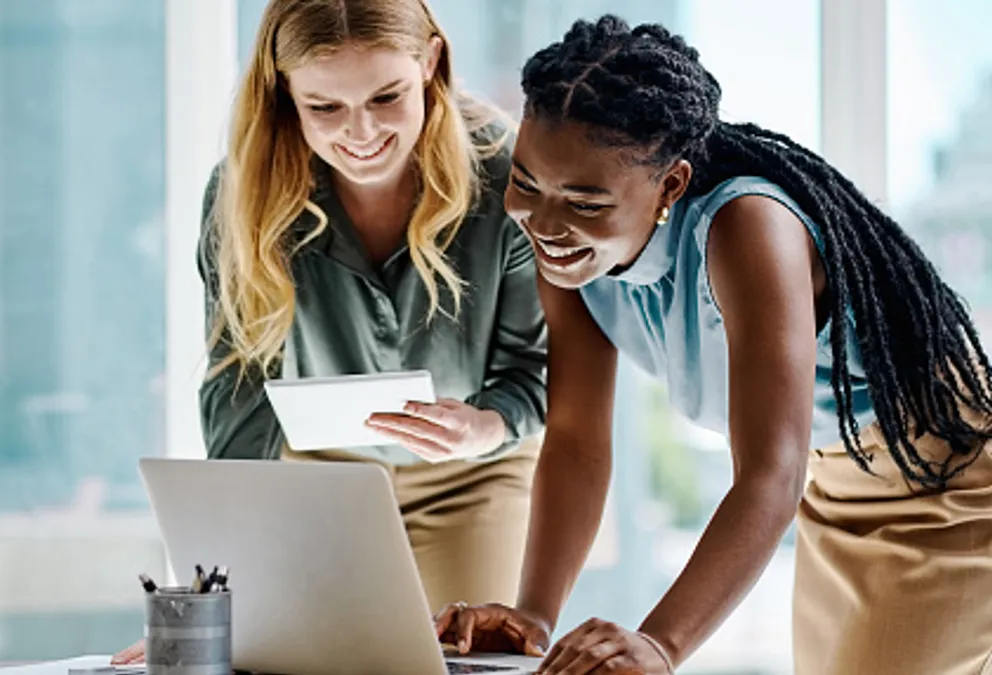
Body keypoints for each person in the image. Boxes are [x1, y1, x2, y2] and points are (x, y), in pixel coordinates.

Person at [433, 15, 992, 675]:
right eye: (527, 182)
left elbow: (768, 473)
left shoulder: (748, 226)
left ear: (670, 184)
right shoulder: (569, 257)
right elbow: (579, 437)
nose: (547, 223)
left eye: (586, 202)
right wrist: (534, 616)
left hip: (942, 481)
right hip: (833, 483)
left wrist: (661, 644)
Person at [111, 0, 548, 666]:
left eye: (387, 95)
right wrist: (217, 602)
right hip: (319, 481)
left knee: (468, 663)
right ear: (285, 91)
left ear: (430, 62)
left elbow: (533, 371)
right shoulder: (244, 194)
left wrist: (485, 425)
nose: (362, 131)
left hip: (474, 474)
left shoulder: (505, 170)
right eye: (325, 108)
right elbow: (239, 396)